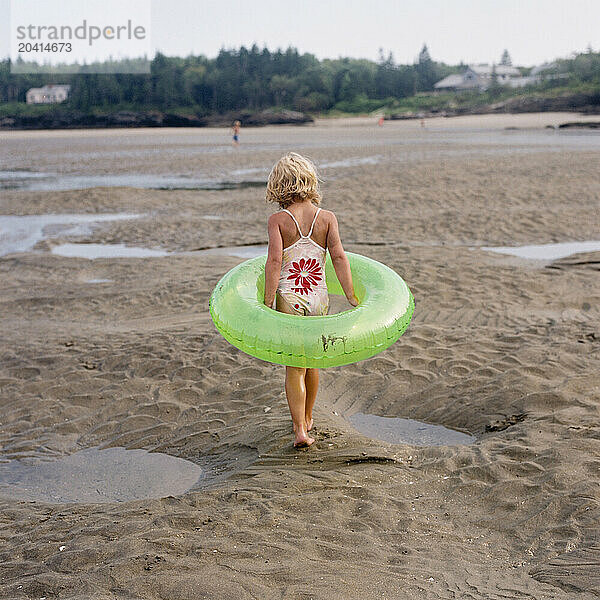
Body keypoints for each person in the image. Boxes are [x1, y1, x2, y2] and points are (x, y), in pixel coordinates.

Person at [263, 152, 359, 448]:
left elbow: (275, 261)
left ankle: (299, 430)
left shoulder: (278, 220)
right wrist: (351, 295)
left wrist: (267, 302)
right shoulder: (327, 218)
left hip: (291, 298)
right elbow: (340, 258)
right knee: (312, 362)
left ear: (279, 186)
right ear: (310, 181)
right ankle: (308, 417)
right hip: (318, 298)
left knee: (295, 366)